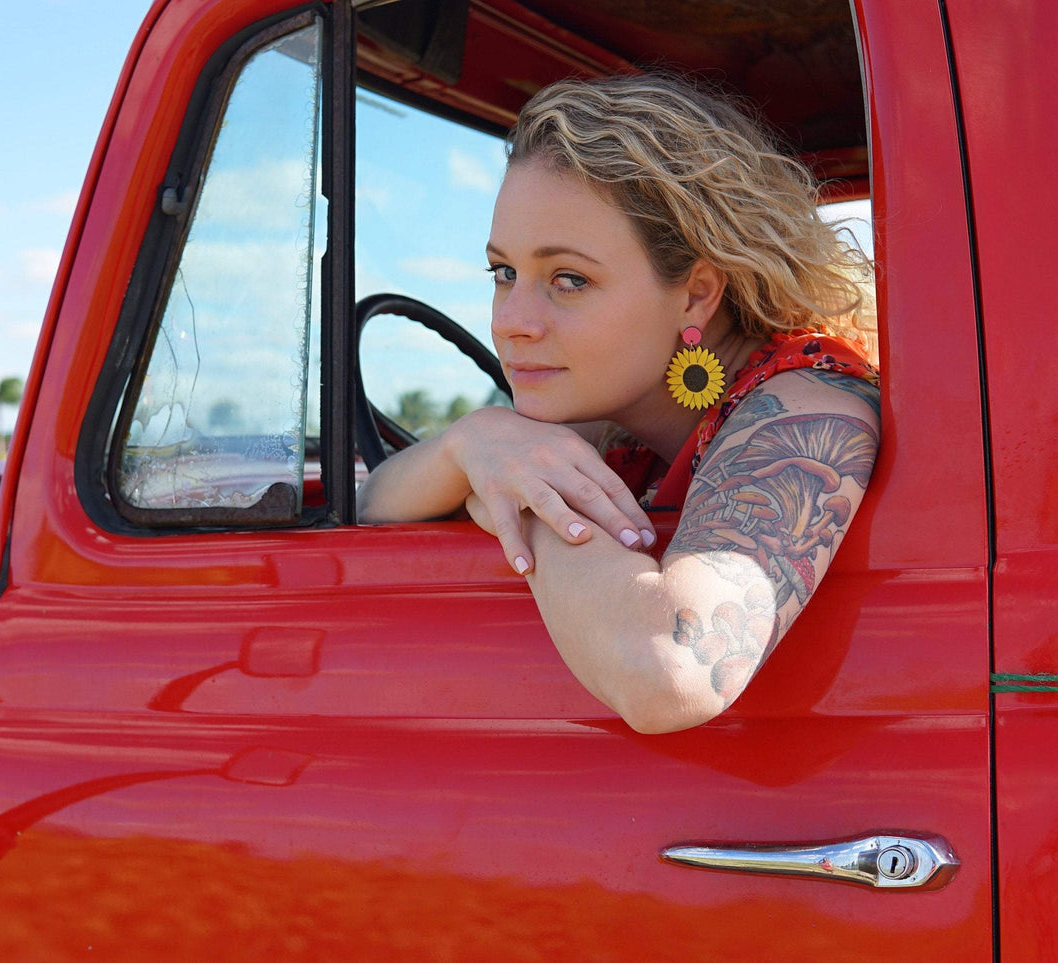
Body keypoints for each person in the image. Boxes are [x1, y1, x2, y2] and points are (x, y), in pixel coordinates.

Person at [357, 73, 880, 734]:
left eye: (568, 279)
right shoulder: (613, 411)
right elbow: (375, 500)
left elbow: (670, 673)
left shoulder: (811, 408)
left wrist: (529, 500)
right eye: (503, 273)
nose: (511, 320)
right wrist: (478, 441)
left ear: (694, 295)